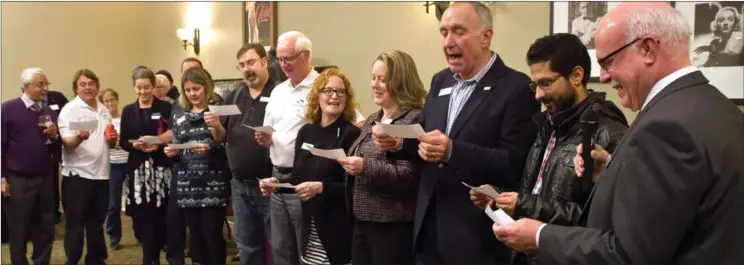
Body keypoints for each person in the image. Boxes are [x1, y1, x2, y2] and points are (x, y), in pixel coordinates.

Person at [492, 3, 744, 265]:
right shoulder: (718, 107)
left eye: (608, 62)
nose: (603, 77)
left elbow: (628, 255)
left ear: (647, 48)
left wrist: (541, 236)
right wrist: (614, 172)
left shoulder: (665, 127)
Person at [374, 2, 540, 265]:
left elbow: (515, 164)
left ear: (486, 37)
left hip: (476, 237)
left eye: (458, 31)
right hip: (428, 228)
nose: (448, 41)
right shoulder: (441, 81)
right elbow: (426, 138)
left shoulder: (516, 88)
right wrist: (398, 143)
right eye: (443, 32)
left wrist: (453, 150)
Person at [469, 33, 628, 265]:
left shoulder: (607, 132)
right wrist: (499, 195)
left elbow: (595, 222)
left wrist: (523, 204)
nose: (538, 94)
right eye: (535, 85)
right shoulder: (547, 123)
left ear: (576, 76)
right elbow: (540, 188)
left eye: (546, 83)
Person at [261, 68, 362, 265]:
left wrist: (322, 188)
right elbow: (298, 178)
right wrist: (277, 183)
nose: (334, 96)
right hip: (309, 225)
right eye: (328, 90)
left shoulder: (351, 134)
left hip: (338, 227)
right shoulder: (306, 132)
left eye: (340, 92)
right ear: (317, 95)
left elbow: (355, 188)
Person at [335, 50, 427, 265]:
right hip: (362, 221)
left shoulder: (414, 119)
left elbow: (410, 175)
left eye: (382, 79)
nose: (374, 85)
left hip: (392, 225)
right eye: (373, 78)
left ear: (400, 81)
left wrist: (365, 167)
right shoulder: (373, 118)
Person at [255, 30, 319, 265]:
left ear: (306, 55)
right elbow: (270, 130)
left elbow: (354, 122)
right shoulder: (278, 91)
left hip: (304, 179)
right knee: (280, 248)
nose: (283, 64)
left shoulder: (322, 87)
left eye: (289, 58)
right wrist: (264, 138)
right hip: (277, 177)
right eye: (280, 59)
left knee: (306, 249)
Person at [222, 42, 281, 265]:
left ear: (264, 62)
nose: (247, 69)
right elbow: (220, 135)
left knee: (277, 245)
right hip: (239, 185)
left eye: (251, 62)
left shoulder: (279, 93)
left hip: (269, 184)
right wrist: (214, 127)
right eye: (242, 65)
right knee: (247, 245)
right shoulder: (233, 97)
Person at [165, 68, 229, 265]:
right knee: (195, 235)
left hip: (212, 182)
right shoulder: (179, 115)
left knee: (212, 234)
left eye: (197, 89)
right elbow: (176, 142)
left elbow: (226, 142)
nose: (193, 94)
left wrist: (210, 145)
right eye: (188, 90)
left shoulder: (217, 110)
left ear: (206, 88)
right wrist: (172, 152)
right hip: (187, 184)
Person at [1, 67, 61, 265]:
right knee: (19, 228)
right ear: (26, 87)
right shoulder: (8, 109)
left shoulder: (48, 111)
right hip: (18, 179)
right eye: (40, 85)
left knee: (45, 227)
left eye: (46, 84)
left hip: (45, 177)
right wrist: (2, 178)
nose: (45, 89)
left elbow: (55, 147)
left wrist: (54, 136)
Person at [58, 69, 117, 265]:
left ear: (97, 86)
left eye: (91, 83)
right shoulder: (69, 110)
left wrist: (113, 140)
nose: (88, 87)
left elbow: (109, 141)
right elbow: (67, 142)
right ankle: (72, 260)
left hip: (101, 175)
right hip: (78, 176)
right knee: (75, 225)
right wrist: (78, 137)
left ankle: (96, 260)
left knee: (96, 224)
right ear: (76, 87)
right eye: (83, 84)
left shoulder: (104, 110)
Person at [119, 67, 174, 265]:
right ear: (134, 87)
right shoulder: (128, 110)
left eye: (147, 87)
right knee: (141, 216)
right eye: (139, 88)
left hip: (160, 169)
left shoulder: (165, 108)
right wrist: (135, 145)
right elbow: (123, 141)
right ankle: (148, 253)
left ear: (153, 87)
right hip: (137, 172)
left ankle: (152, 257)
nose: (143, 92)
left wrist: (157, 142)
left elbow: (172, 134)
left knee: (160, 214)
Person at [98, 88, 136, 250]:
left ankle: (140, 234)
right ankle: (114, 236)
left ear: (117, 100)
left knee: (135, 200)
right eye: (105, 101)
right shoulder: (102, 122)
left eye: (112, 100)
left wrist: (124, 140)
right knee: (113, 204)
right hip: (112, 165)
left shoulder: (126, 119)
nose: (109, 104)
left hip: (129, 162)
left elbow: (135, 139)